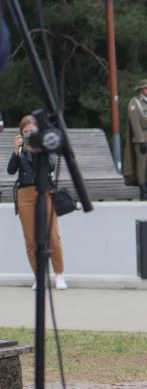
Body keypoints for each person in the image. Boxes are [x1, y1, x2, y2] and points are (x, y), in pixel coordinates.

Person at [8, 116, 67, 290]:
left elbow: (50, 167)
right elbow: (11, 170)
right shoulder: (20, 150)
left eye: (31, 131)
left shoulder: (44, 147)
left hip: (45, 191)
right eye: (25, 132)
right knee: (31, 239)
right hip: (24, 193)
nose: (28, 134)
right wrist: (16, 151)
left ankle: (59, 274)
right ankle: (39, 276)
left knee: (52, 235)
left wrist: (38, 148)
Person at [122, 79, 147, 200]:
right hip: (141, 137)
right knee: (141, 165)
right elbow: (135, 122)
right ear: (141, 90)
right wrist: (141, 139)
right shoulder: (134, 103)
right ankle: (142, 189)